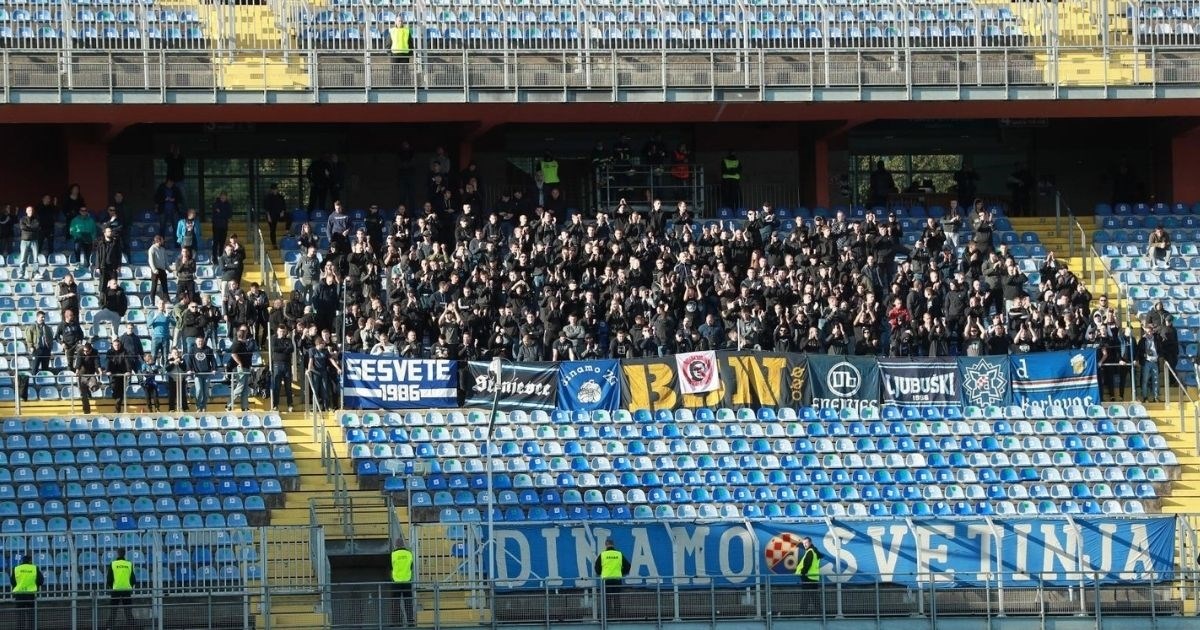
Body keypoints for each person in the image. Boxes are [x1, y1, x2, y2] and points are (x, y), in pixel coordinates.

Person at [594, 538, 630, 620]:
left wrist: (600, 573)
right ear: (613, 545)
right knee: (616, 597)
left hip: (606, 580)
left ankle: (608, 616)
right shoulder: (619, 554)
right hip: (617, 579)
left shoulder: (603, 555)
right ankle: (617, 616)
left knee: (607, 598)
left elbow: (597, 567)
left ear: (606, 545)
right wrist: (621, 572)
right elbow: (628, 566)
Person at [106, 548, 137, 629]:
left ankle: (109, 627)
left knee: (113, 611)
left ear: (117, 553)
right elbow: (133, 579)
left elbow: (109, 579)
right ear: (124, 554)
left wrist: (111, 587)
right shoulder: (129, 564)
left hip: (115, 590)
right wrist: (129, 585)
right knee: (128, 611)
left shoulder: (113, 564)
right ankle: (132, 627)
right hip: (126, 590)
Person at [11, 553, 43, 630]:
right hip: (30, 595)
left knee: (20, 616)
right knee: (31, 616)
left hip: (19, 595)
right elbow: (40, 581)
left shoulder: (16, 568)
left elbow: (12, 581)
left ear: (22, 561)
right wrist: (36, 586)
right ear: (30, 561)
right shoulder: (34, 568)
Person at [185, 336, 218, 412]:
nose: (200, 343)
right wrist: (189, 369)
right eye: (199, 341)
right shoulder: (192, 350)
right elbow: (189, 360)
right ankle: (198, 406)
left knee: (206, 392)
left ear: (203, 342)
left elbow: (213, 360)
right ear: (196, 342)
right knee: (199, 390)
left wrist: (214, 369)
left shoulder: (208, 349)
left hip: (206, 374)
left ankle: (203, 406)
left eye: (201, 341)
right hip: (197, 374)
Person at [107, 338, 138, 413]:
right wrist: (108, 370)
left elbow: (127, 362)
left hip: (122, 374)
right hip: (113, 374)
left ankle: (117, 410)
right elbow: (108, 362)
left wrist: (128, 371)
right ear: (113, 345)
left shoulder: (124, 352)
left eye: (118, 345)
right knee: (114, 388)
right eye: (115, 345)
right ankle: (116, 401)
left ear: (120, 345)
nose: (116, 346)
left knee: (120, 393)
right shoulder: (110, 352)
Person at [794, 536, 822, 616]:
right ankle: (819, 613)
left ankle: (803, 613)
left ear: (810, 542)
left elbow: (807, 564)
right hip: (814, 577)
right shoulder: (815, 551)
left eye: (806, 543)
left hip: (807, 577)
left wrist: (802, 574)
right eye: (803, 543)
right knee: (814, 597)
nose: (805, 545)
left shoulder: (810, 552)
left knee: (805, 596)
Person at [390, 539, 415, 627]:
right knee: (408, 602)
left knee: (395, 603)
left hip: (396, 582)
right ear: (403, 545)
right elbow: (411, 566)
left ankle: (396, 622)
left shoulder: (393, 554)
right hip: (407, 581)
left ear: (396, 545)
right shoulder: (409, 554)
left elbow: (391, 567)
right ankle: (410, 622)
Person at [270, 326, 295, 412]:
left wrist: (282, 349)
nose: (282, 333)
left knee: (288, 386)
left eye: (284, 331)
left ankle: (290, 404)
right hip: (277, 364)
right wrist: (285, 348)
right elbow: (274, 349)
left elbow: (292, 349)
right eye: (280, 331)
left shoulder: (288, 340)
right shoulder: (274, 339)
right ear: (277, 331)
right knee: (277, 386)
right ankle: (275, 405)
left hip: (287, 365)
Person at [1137, 325, 1161, 403]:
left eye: (1149, 332)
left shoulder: (1157, 340)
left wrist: (1158, 355)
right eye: (1146, 332)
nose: (1148, 333)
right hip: (1146, 362)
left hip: (1155, 362)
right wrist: (1143, 355)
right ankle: (1145, 397)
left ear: (1152, 332)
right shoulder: (1142, 340)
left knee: (1156, 380)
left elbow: (1161, 349)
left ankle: (1156, 397)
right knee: (1145, 380)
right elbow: (1139, 351)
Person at [76, 342, 101, 414]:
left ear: (90, 350)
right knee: (83, 396)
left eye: (86, 351)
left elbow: (97, 363)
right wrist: (77, 371)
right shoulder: (80, 351)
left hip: (90, 374)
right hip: (82, 374)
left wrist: (99, 370)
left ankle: (94, 387)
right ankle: (86, 411)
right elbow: (78, 362)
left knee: (95, 388)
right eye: (84, 350)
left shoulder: (95, 352)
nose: (85, 352)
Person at [17, 205, 40, 280]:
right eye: (29, 210)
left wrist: (28, 227)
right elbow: (22, 227)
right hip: (24, 241)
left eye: (32, 210)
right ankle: (21, 273)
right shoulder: (22, 219)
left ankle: (36, 273)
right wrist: (31, 227)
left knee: (35, 258)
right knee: (23, 258)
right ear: (26, 211)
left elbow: (36, 226)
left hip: (34, 240)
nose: (31, 212)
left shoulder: (36, 219)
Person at [264, 183, 289, 247]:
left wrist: (283, 211)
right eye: (273, 189)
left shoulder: (280, 196)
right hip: (271, 215)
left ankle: (287, 231)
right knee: (272, 229)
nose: (275, 190)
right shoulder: (268, 197)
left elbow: (284, 205)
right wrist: (269, 216)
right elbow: (266, 208)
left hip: (279, 214)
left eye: (276, 189)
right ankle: (274, 244)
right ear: (271, 190)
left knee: (289, 217)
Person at [211, 191, 233, 263]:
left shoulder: (228, 205)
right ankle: (214, 258)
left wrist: (221, 212)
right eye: (222, 197)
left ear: (226, 197)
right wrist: (224, 214)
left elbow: (229, 215)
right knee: (215, 242)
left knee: (222, 243)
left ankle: (220, 257)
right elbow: (217, 214)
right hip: (216, 226)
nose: (223, 198)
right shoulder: (216, 204)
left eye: (224, 197)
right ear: (220, 197)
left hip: (224, 226)